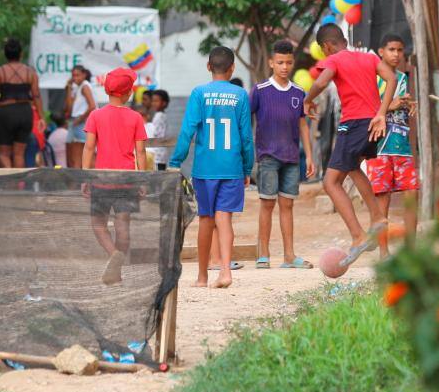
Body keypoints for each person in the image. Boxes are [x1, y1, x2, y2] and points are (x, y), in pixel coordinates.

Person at [305, 23, 397, 265]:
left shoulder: (334, 60)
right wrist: (381, 112)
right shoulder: (368, 57)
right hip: (371, 124)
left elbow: (322, 82)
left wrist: (307, 100)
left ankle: (358, 236)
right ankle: (377, 218)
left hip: (353, 125)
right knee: (353, 169)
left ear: (326, 46)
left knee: (330, 182)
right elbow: (391, 78)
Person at [169, 46, 253, 288]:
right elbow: (246, 137)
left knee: (206, 220)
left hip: (205, 169)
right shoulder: (240, 95)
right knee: (224, 218)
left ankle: (202, 276)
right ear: (232, 68)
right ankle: (225, 271)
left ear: (208, 67)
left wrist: (175, 162)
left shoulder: (198, 94)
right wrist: (247, 168)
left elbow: (187, 131)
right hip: (232, 167)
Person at [251, 40, 315, 270]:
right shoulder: (260, 91)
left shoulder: (299, 93)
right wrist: (248, 154)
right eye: (280, 62)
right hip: (267, 156)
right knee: (266, 204)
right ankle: (263, 255)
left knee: (287, 205)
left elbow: (303, 126)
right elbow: (247, 121)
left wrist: (309, 156)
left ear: (293, 63)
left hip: (291, 158)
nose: (284, 67)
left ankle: (289, 256)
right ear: (271, 63)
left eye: (288, 62)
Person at [82, 67, 149, 286]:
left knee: (98, 224)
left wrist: (86, 177)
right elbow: (140, 153)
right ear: (129, 92)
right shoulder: (136, 117)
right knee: (123, 227)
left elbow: (89, 148)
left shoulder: (96, 115)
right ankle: (117, 267)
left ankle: (113, 255)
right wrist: (142, 180)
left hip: (101, 179)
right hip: (127, 179)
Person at [367, 34, 419, 256]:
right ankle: (384, 251)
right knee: (382, 200)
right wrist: (391, 104)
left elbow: (400, 108)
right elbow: (367, 110)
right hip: (379, 147)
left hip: (402, 146)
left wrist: (408, 106)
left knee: (411, 195)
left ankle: (411, 250)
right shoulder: (371, 78)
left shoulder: (402, 78)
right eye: (391, 49)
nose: (396, 54)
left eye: (399, 50)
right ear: (381, 51)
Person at [0, 38, 47, 168]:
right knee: (19, 154)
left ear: (5, 54)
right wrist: (42, 117)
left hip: (6, 112)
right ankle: (18, 186)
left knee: (3, 153)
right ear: (21, 54)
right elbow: (36, 95)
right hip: (25, 112)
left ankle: (10, 182)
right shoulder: (30, 72)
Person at [64, 65, 97, 168]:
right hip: (77, 121)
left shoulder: (84, 86)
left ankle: (84, 181)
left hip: (81, 122)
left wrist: (79, 119)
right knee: (76, 158)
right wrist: (69, 87)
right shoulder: (78, 87)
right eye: (73, 75)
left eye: (77, 75)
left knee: (81, 157)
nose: (75, 78)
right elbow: (69, 108)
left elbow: (92, 106)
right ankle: (82, 181)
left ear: (84, 75)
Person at [145, 90, 171, 171]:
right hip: (160, 151)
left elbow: (154, 133)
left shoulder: (159, 116)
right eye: (153, 101)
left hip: (157, 152)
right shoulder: (161, 115)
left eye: (156, 101)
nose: (153, 103)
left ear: (164, 103)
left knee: (158, 174)